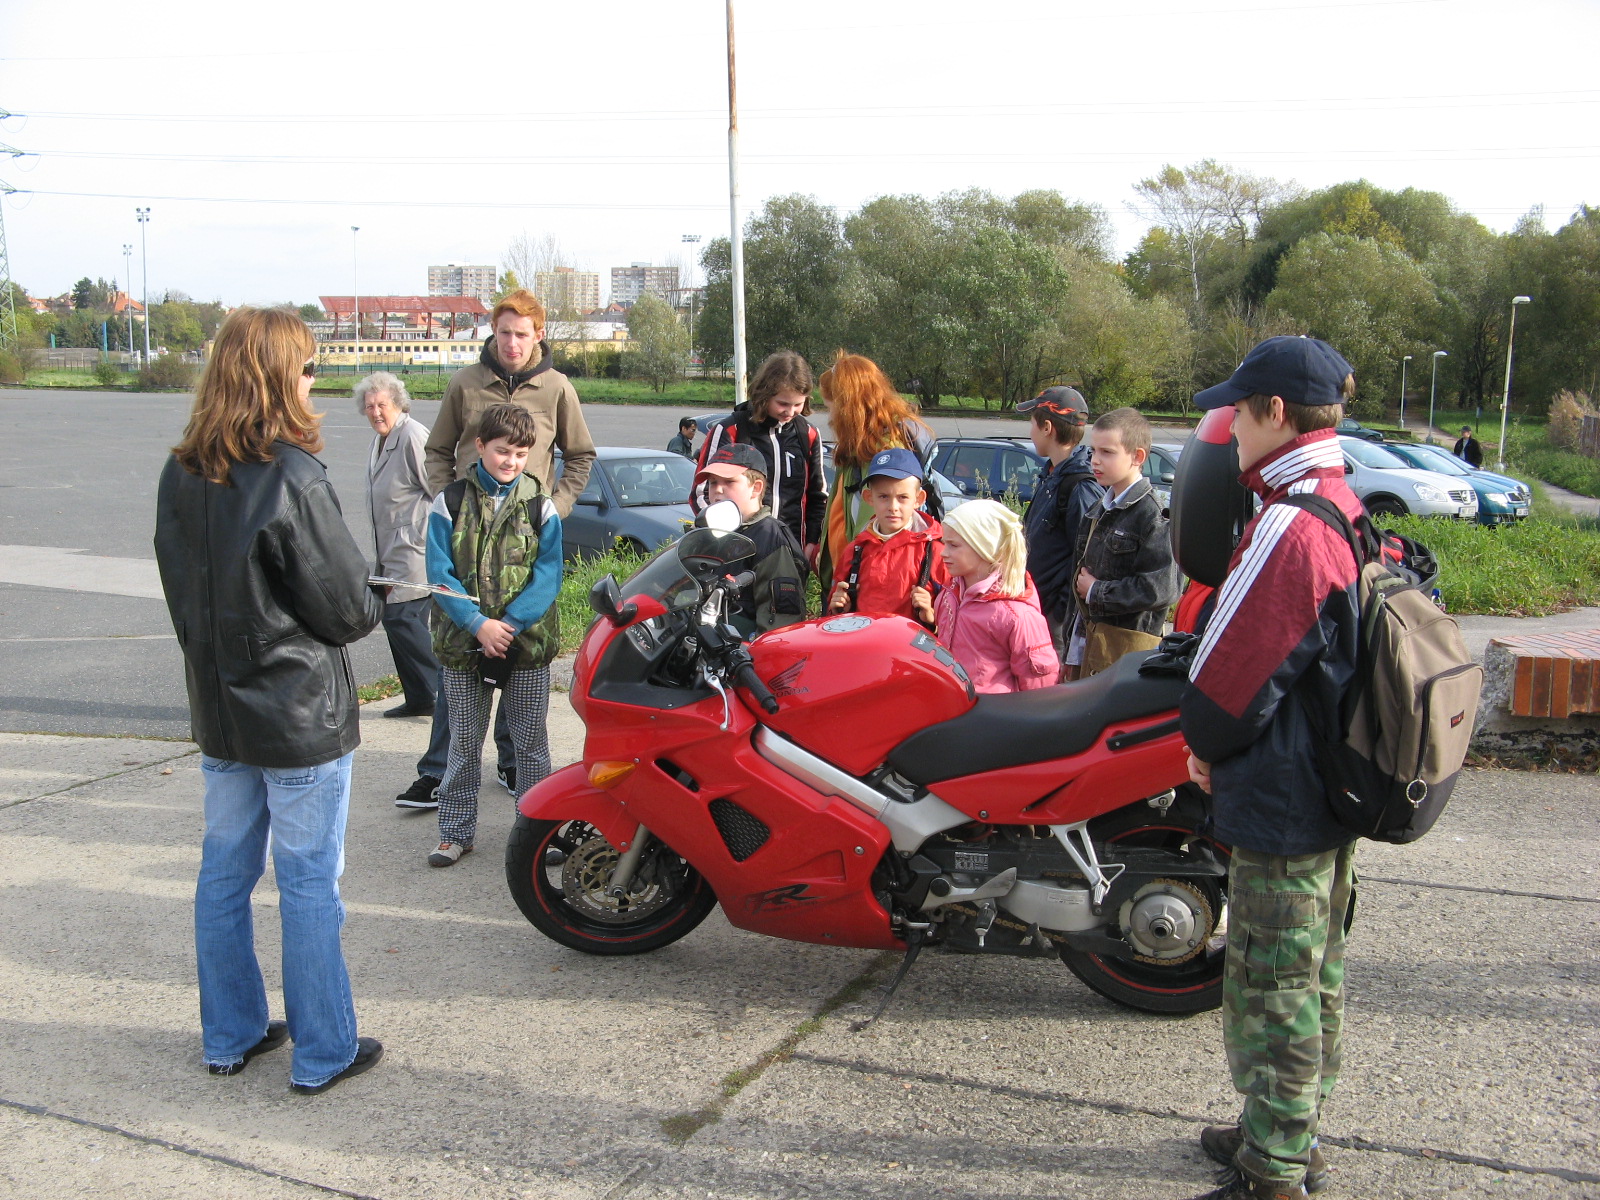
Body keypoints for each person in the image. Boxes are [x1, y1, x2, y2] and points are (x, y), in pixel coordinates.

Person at [153, 306, 385, 1095]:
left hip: (222, 710)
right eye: (309, 367)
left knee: (224, 874)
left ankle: (231, 1034)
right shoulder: (292, 474)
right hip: (294, 719)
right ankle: (323, 1050)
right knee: (307, 882)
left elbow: (181, 588)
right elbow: (349, 611)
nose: (315, 382)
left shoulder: (180, 470)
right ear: (280, 375)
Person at [1178, 336, 1366, 1200]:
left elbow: (1231, 672)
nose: (1227, 428)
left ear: (1275, 415)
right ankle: (1283, 1129)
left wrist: (1203, 745)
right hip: (1322, 783)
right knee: (1311, 968)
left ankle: (1276, 1167)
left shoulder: (1291, 522)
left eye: (1238, 412)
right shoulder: (1337, 500)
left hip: (1284, 796)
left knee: (1273, 980)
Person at [424, 288, 592, 797]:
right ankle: (438, 778)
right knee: (459, 695)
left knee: (523, 702)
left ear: (538, 335)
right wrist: (449, 504)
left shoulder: (557, 387)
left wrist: (552, 511)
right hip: (468, 547)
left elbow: (580, 456)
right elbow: (437, 449)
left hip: (525, 546)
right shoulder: (465, 382)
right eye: (504, 332)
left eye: (522, 334)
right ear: (492, 333)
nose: (512, 343)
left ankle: (521, 784)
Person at [425, 403, 563, 868]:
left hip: (525, 647)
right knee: (464, 743)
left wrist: (510, 624)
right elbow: (439, 572)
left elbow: (548, 574)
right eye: (503, 451)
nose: (511, 461)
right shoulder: (449, 501)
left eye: (521, 454)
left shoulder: (540, 505)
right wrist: (476, 623)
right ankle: (455, 832)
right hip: (464, 645)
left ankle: (539, 835)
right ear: (480, 446)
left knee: (530, 744)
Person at [357, 372, 448, 812]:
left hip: (412, 551)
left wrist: (427, 537)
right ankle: (418, 698)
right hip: (389, 552)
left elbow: (438, 492)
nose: (375, 412)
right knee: (394, 621)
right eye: (370, 406)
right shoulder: (380, 440)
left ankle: (432, 692)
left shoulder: (412, 435)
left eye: (382, 405)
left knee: (404, 621)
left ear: (399, 403)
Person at [1069, 407, 1179, 677]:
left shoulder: (1154, 515)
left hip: (1126, 653)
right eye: (1093, 451)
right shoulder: (1098, 509)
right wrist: (1071, 651)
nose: (1095, 460)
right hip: (1089, 646)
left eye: (1107, 452)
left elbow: (1162, 589)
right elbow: (1078, 584)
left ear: (1137, 456)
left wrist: (1098, 591)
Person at [817, 351, 937, 584]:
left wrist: (851, 578)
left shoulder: (885, 452)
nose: (829, 416)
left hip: (867, 583)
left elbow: (881, 528)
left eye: (829, 406)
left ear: (846, 407)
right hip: (849, 576)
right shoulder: (859, 446)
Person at [694, 350, 825, 563]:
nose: (790, 412)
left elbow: (818, 496)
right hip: (736, 549)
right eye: (783, 403)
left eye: (798, 404)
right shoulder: (731, 429)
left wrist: (811, 543)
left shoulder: (808, 434)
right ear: (764, 395)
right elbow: (700, 492)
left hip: (791, 551)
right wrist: (725, 534)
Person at [913, 498, 1056, 693]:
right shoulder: (949, 595)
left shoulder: (1016, 614)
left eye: (954, 545)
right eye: (944, 544)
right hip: (953, 705)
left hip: (994, 716)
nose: (943, 553)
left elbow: (1039, 689)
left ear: (984, 547)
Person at [1016, 385, 1104, 675]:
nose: (1030, 431)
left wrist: (1061, 617)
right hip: (1037, 607)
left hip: (1055, 622)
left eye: (1032, 423)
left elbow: (1085, 558)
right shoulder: (1053, 475)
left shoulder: (1078, 486)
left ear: (1047, 428)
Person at [694, 443, 809, 635]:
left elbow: (780, 623)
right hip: (704, 642)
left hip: (740, 652)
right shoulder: (710, 532)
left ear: (756, 488)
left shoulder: (769, 536)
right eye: (713, 482)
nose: (718, 490)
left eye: (729, 482)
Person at [825, 447, 949, 622]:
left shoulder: (936, 551)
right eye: (883, 496)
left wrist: (932, 617)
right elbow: (836, 613)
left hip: (912, 647)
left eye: (903, 497)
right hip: (864, 644)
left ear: (919, 499)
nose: (893, 506)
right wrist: (839, 609)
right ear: (869, 497)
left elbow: (955, 620)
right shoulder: (855, 550)